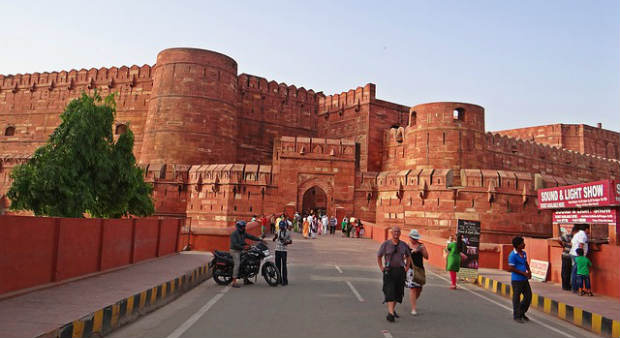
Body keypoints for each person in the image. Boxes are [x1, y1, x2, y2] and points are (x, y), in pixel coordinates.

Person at [377, 226, 411, 322]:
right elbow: (379, 256)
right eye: (394, 231)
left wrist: (407, 267)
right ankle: (391, 314)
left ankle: (391, 310)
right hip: (389, 270)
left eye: (398, 232)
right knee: (390, 291)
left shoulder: (403, 245)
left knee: (398, 292)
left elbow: (408, 256)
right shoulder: (386, 244)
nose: (396, 233)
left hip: (400, 271)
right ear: (391, 233)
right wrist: (381, 268)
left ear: (400, 233)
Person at [229, 220, 263, 288]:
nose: (243, 228)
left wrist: (259, 239)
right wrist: (243, 247)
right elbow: (235, 244)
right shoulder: (234, 234)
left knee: (247, 261)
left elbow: (251, 236)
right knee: (237, 264)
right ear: (239, 227)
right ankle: (234, 281)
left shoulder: (243, 233)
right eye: (242, 226)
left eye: (244, 226)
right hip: (235, 251)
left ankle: (246, 279)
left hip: (241, 250)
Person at [508, 236, 532, 323]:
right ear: (518, 245)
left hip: (524, 279)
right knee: (516, 298)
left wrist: (529, 271)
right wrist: (523, 273)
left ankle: (521, 312)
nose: (524, 244)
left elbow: (525, 262)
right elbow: (511, 268)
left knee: (528, 296)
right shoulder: (512, 255)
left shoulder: (524, 253)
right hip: (516, 280)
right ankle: (516, 315)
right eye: (522, 243)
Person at [406, 229, 428, 316]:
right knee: (413, 288)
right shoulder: (407, 246)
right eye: (413, 238)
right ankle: (413, 308)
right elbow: (404, 257)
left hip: (420, 269)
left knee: (419, 289)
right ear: (410, 237)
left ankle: (413, 300)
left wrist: (421, 251)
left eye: (416, 238)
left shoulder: (421, 246)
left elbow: (427, 257)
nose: (415, 240)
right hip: (411, 269)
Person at [570, 224, 589, 293]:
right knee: (577, 272)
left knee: (574, 271)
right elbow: (581, 245)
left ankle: (574, 287)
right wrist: (581, 257)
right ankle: (576, 288)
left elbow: (572, 243)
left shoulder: (577, 234)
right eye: (588, 229)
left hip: (573, 253)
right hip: (578, 255)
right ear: (586, 229)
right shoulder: (583, 234)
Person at [273, 219, 292, 286]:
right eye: (280, 226)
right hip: (277, 250)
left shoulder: (287, 232)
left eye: (282, 227)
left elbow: (290, 241)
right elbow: (274, 239)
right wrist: (275, 237)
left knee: (284, 266)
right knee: (277, 265)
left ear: (284, 226)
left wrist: (286, 242)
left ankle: (285, 280)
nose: (281, 228)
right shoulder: (278, 231)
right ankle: (279, 279)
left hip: (284, 250)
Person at [558, 226, 577, 291]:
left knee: (569, 271)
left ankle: (568, 285)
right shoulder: (568, 235)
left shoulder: (576, 237)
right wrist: (565, 244)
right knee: (565, 271)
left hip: (571, 255)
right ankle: (565, 286)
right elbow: (560, 239)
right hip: (566, 255)